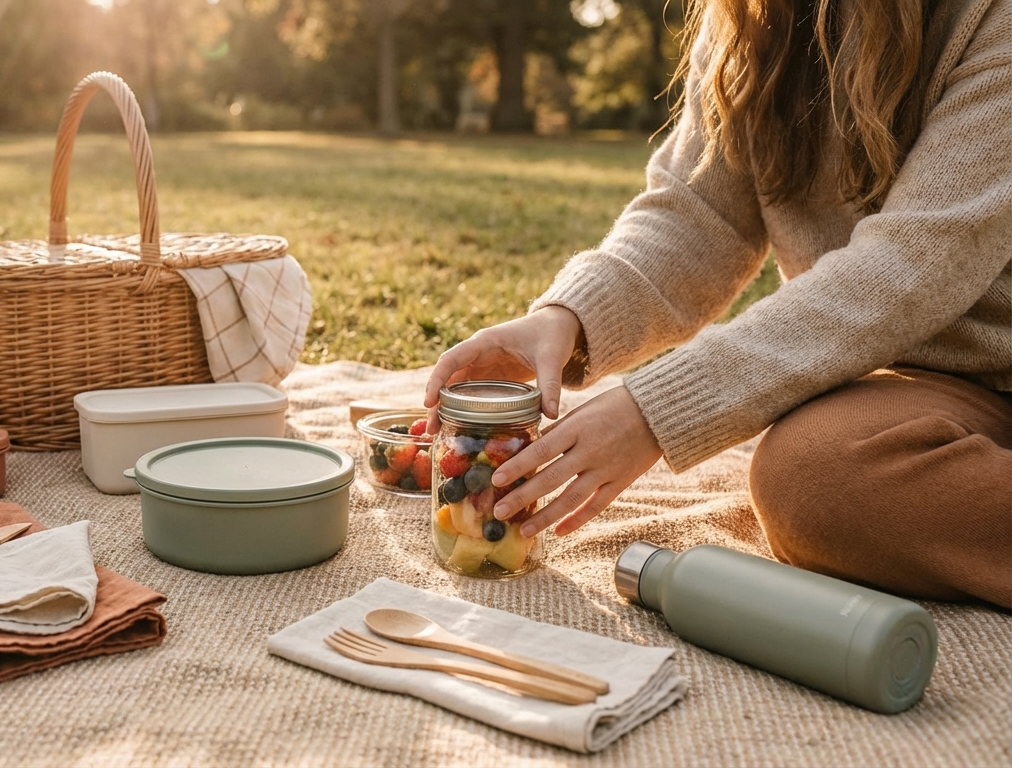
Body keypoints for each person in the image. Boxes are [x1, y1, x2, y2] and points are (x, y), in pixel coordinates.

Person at [425, 0, 1012, 608]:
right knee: (814, 477)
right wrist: (565, 319)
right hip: (913, 382)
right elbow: (698, 215)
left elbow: (913, 265)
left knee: (809, 481)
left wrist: (653, 411)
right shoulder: (748, 16)